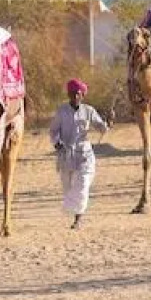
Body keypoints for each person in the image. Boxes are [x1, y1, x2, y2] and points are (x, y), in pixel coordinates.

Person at [49, 78, 111, 230]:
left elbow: (101, 128)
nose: (75, 96)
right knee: (68, 188)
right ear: (68, 94)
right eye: (72, 93)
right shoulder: (61, 111)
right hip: (66, 154)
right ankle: (73, 211)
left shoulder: (89, 111)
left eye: (78, 94)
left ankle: (78, 220)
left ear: (82, 95)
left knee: (83, 186)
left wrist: (107, 123)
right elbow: (53, 130)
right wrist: (57, 143)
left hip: (84, 154)